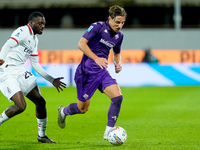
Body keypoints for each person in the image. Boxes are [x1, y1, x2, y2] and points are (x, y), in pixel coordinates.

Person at [57, 5, 127, 140]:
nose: (120, 25)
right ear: (110, 19)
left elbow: (117, 53)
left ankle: (108, 132)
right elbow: (81, 44)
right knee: (82, 109)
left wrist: (117, 64)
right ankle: (63, 111)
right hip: (86, 73)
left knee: (118, 97)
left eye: (122, 22)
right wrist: (96, 58)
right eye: (117, 22)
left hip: (102, 72)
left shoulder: (119, 36)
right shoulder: (97, 27)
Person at [0, 11, 66, 143]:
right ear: (31, 23)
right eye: (40, 23)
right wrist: (1, 58)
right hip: (7, 71)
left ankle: (42, 135)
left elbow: (35, 64)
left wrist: (52, 80)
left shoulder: (34, 39)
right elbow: (9, 44)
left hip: (19, 70)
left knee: (40, 101)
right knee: (21, 106)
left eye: (44, 24)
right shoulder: (23, 31)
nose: (42, 26)